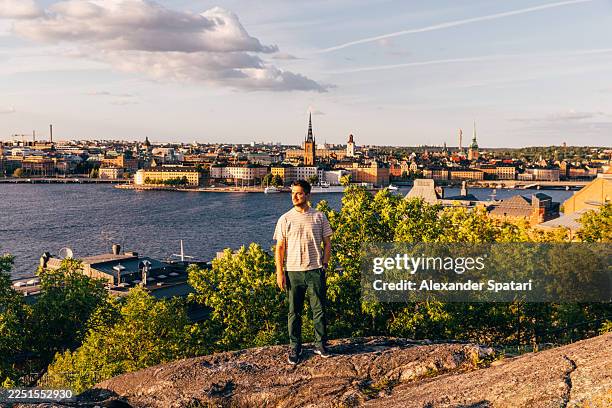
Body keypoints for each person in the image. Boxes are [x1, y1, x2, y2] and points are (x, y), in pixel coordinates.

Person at [274, 179, 333, 365]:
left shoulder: (319, 216)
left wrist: (324, 263)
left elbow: (328, 242)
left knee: (319, 310)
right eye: (293, 193)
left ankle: (320, 344)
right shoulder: (285, 219)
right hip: (293, 271)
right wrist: (279, 272)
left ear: (307, 195)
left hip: (315, 270)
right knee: (294, 312)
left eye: (298, 193)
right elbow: (280, 248)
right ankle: (295, 346)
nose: (294, 196)